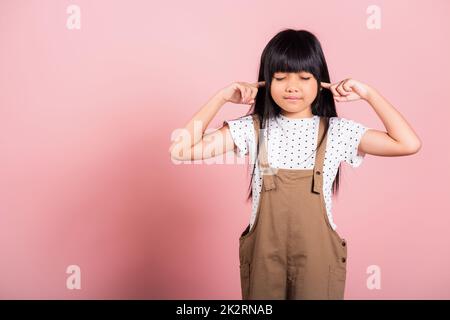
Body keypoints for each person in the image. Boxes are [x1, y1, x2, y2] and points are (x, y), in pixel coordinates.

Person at [169, 28, 421, 300]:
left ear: (320, 82)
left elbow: (407, 143)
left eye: (304, 77)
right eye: (280, 77)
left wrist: (369, 94)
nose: (292, 87)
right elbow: (181, 149)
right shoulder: (253, 129)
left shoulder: (337, 132)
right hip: (265, 262)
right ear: (266, 81)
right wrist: (221, 98)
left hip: (318, 262)